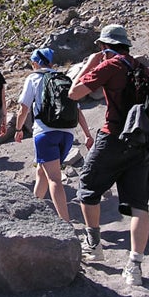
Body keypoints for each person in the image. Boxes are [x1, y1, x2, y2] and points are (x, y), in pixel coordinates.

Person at [68, 24, 149, 286]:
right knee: (139, 205)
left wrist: (92, 63)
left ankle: (93, 244)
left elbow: (74, 93)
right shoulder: (141, 68)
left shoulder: (109, 66)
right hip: (141, 140)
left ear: (105, 46)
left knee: (88, 188)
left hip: (114, 136)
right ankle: (135, 266)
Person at [14, 48, 94, 222]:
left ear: (35, 62)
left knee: (55, 179)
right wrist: (87, 134)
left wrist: (19, 129)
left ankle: (65, 223)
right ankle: (33, 211)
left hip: (45, 133)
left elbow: (24, 108)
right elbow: (77, 111)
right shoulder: (65, 79)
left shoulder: (34, 78)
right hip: (67, 135)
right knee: (42, 173)